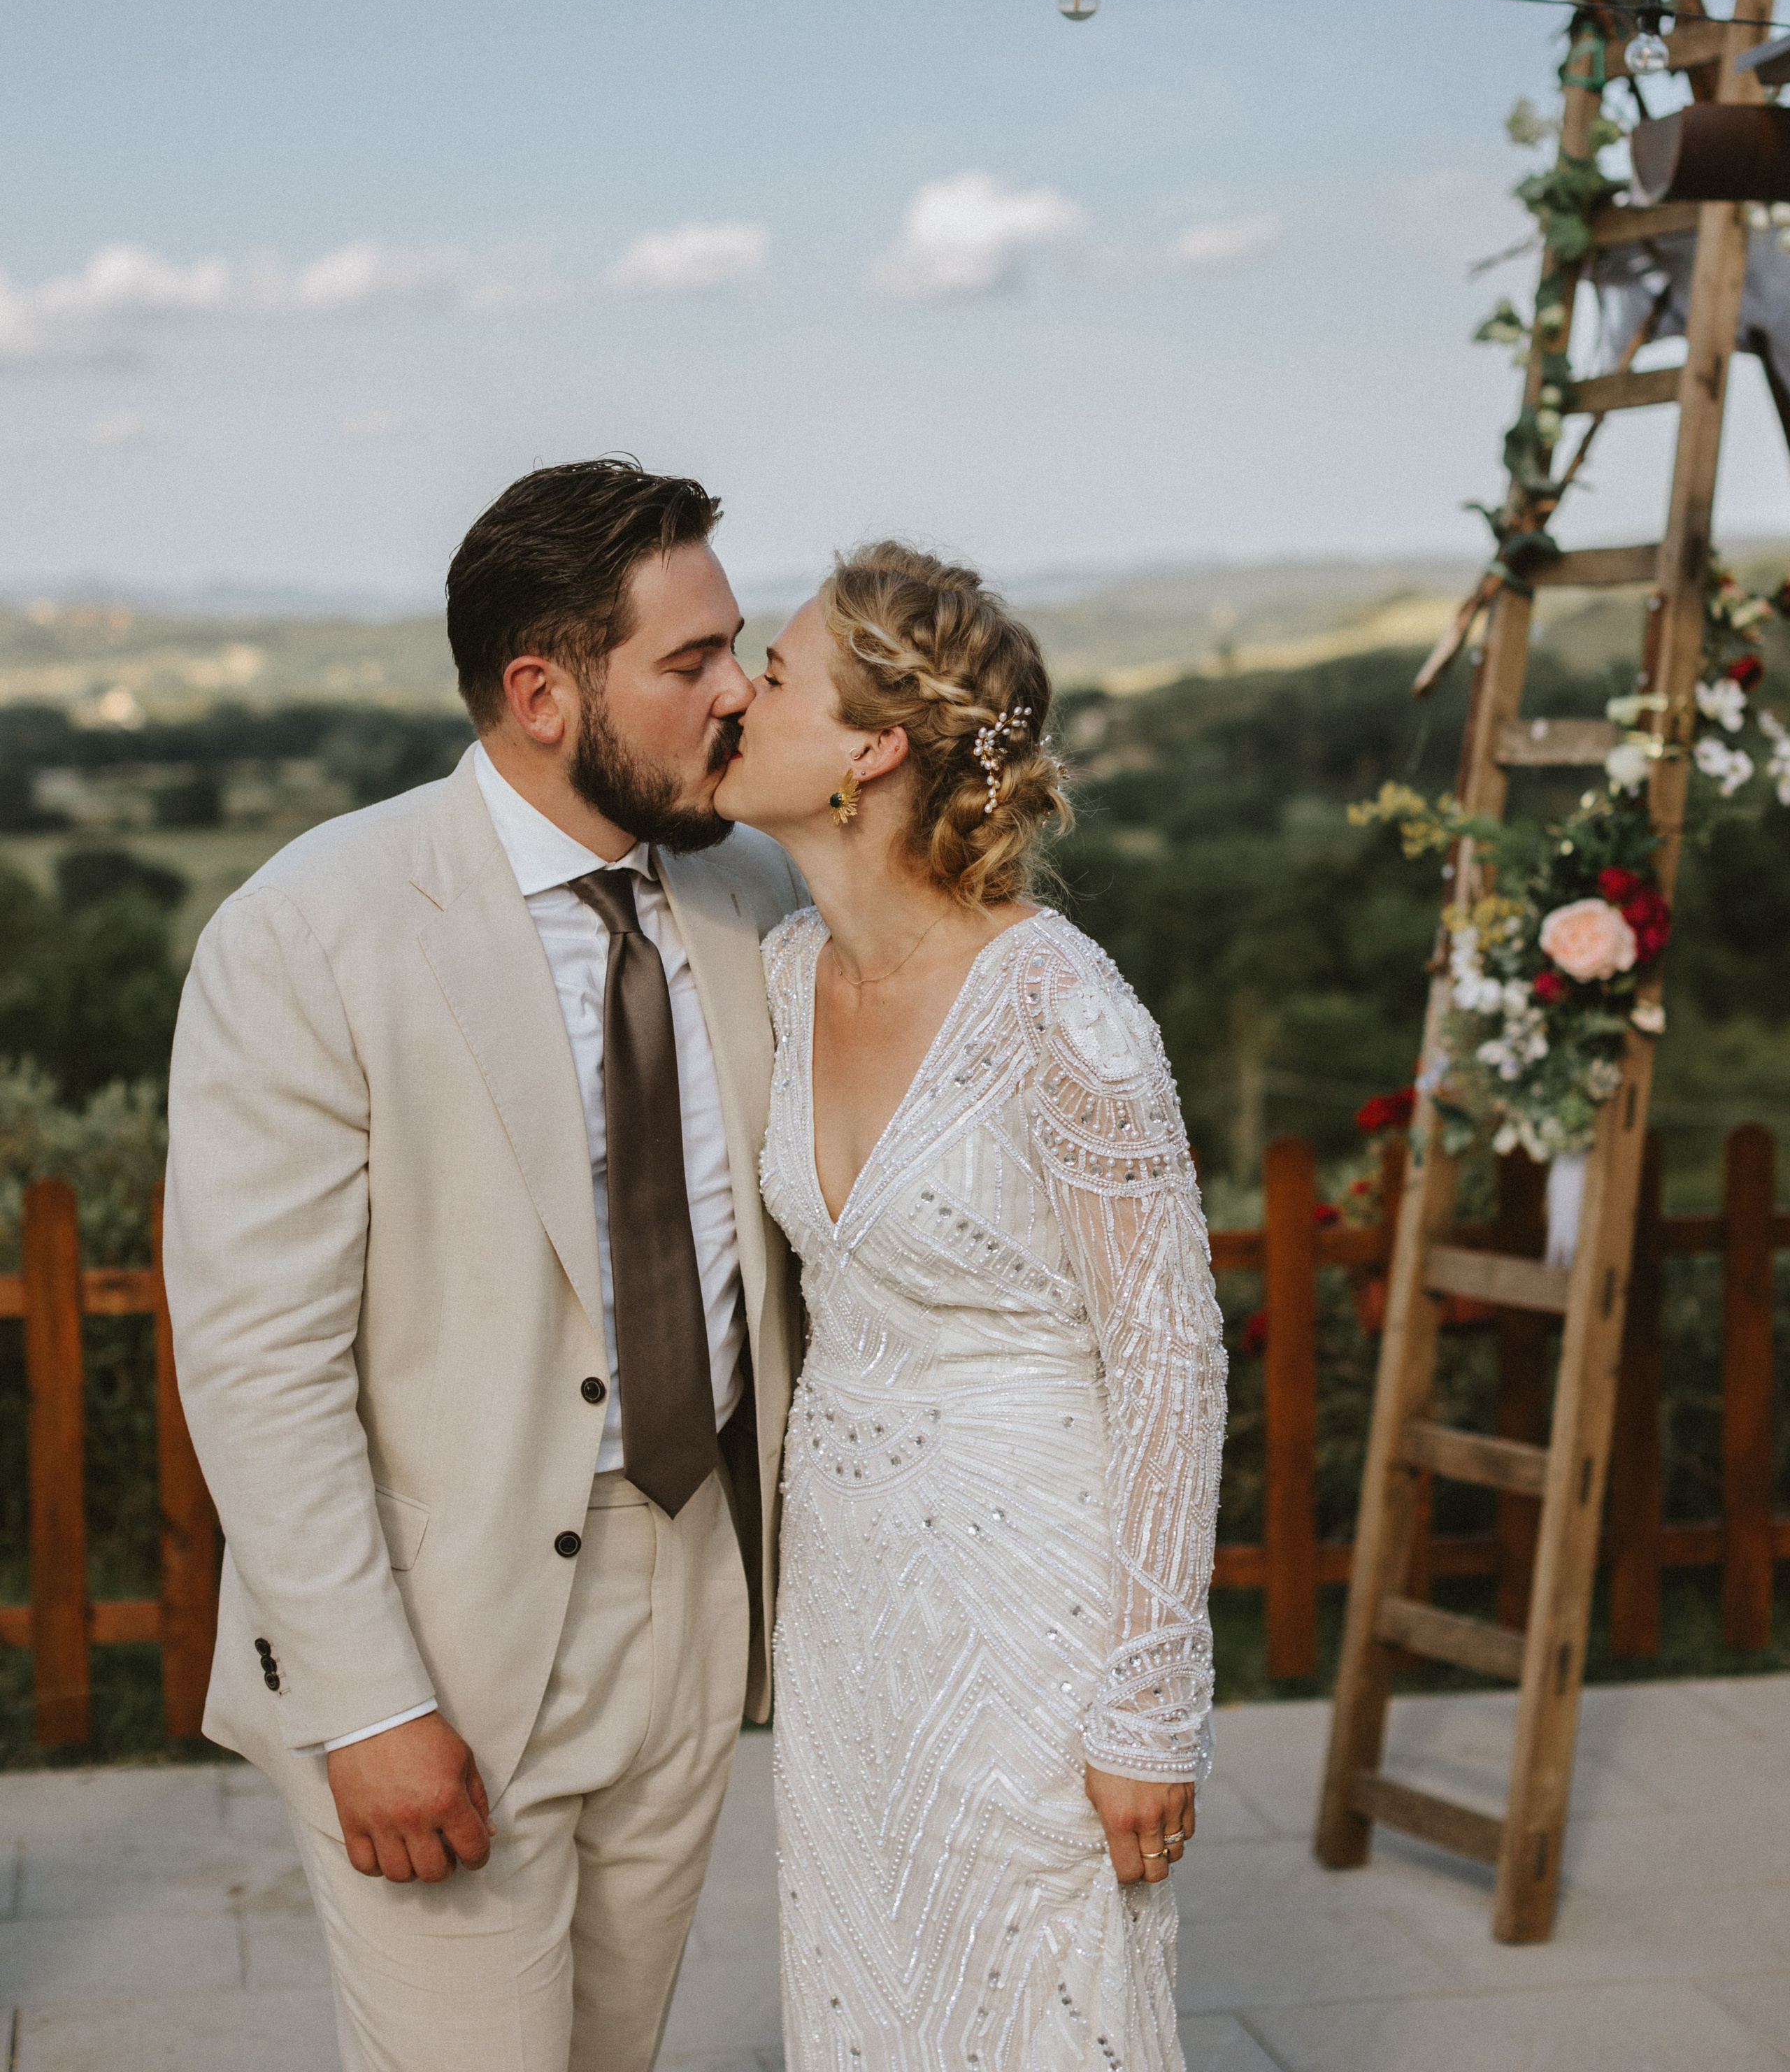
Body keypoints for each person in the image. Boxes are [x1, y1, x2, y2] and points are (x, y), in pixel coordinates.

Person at [164, 458, 806, 2072]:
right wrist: (365, 1704)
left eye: (736, 643)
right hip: (439, 1630)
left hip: (699, 1587)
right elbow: (259, 1361)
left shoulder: (745, 892)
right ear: (540, 692)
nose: (740, 691)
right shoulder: (311, 928)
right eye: (689, 661)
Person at [715, 542, 1226, 2072]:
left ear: (869, 750)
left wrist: (1144, 1703)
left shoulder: (1063, 1014)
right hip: (848, 1601)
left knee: (1042, 2002)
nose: (741, 690)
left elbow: (1168, 1362)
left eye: (780, 671)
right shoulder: (789, 974)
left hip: (1033, 1607)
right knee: (866, 1991)